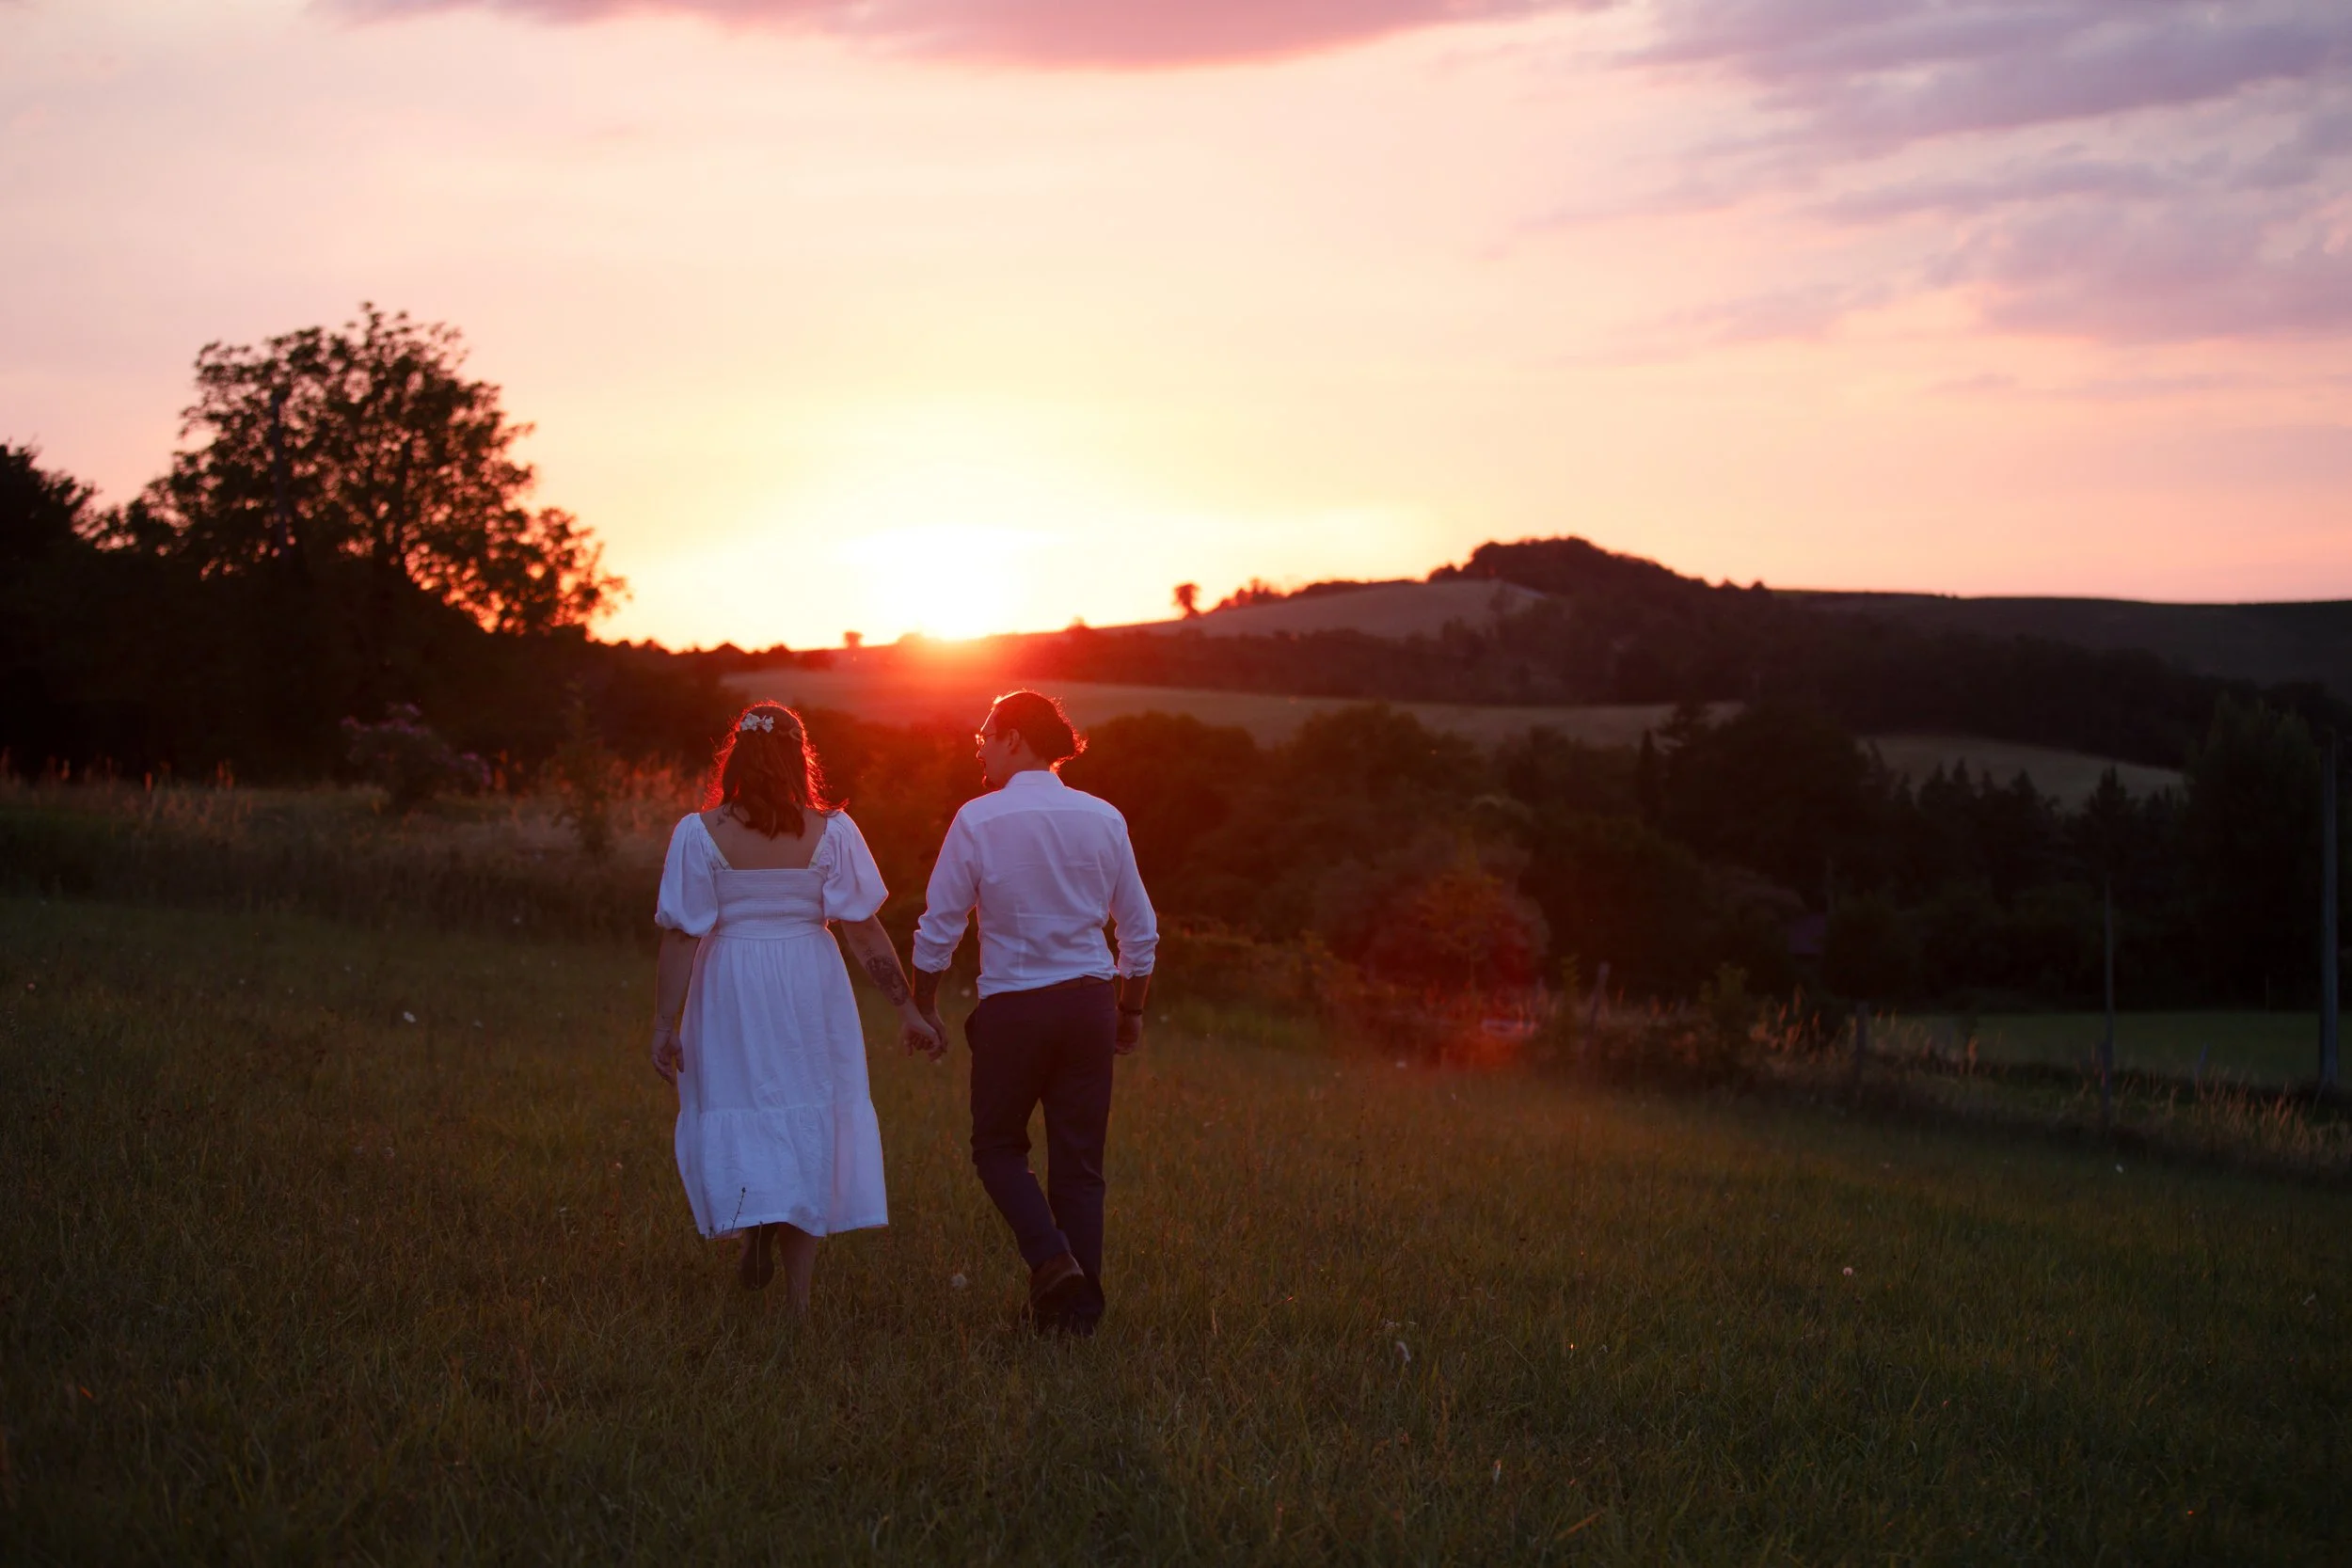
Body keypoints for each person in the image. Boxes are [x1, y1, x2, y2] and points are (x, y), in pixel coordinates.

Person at [649, 703, 942, 1312]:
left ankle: (754, 1227)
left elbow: (681, 934)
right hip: (809, 978)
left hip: (730, 978)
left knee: (746, 1103)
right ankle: (799, 1301)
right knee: (806, 1109)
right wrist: (907, 1009)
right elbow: (862, 930)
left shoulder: (698, 833)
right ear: (797, 757)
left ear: (737, 757)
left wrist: (664, 1023)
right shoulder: (832, 831)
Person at [912, 689, 1157, 1337]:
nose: (980, 751)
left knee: (995, 1147)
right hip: (1087, 1006)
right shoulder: (1104, 819)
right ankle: (1075, 1319)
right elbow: (1140, 928)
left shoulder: (979, 819)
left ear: (1015, 737)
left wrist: (924, 1004)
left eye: (984, 738)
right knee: (1080, 1166)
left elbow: (939, 926)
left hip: (1017, 1007)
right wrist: (1128, 1011)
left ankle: (1051, 1261)